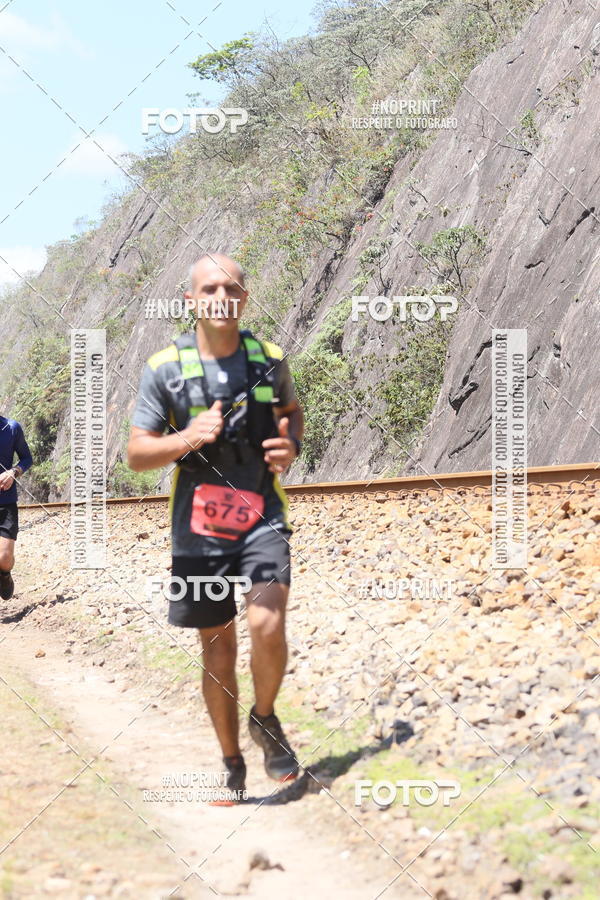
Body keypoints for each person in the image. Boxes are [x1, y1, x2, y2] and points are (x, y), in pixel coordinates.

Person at [128, 252, 304, 803]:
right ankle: (231, 764)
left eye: (231, 288)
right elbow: (136, 454)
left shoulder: (268, 360)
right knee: (218, 647)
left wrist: (290, 444)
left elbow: (291, 411)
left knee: (268, 622)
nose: (221, 298)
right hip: (198, 528)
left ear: (244, 298)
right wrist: (187, 437)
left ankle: (265, 718)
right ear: (191, 300)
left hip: (261, 515)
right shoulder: (164, 368)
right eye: (209, 289)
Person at [0, 416, 33, 600]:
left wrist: (13, 472)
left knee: (4, 559)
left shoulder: (11, 427)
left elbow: (27, 458)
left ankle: (5, 575)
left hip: (6, 502)